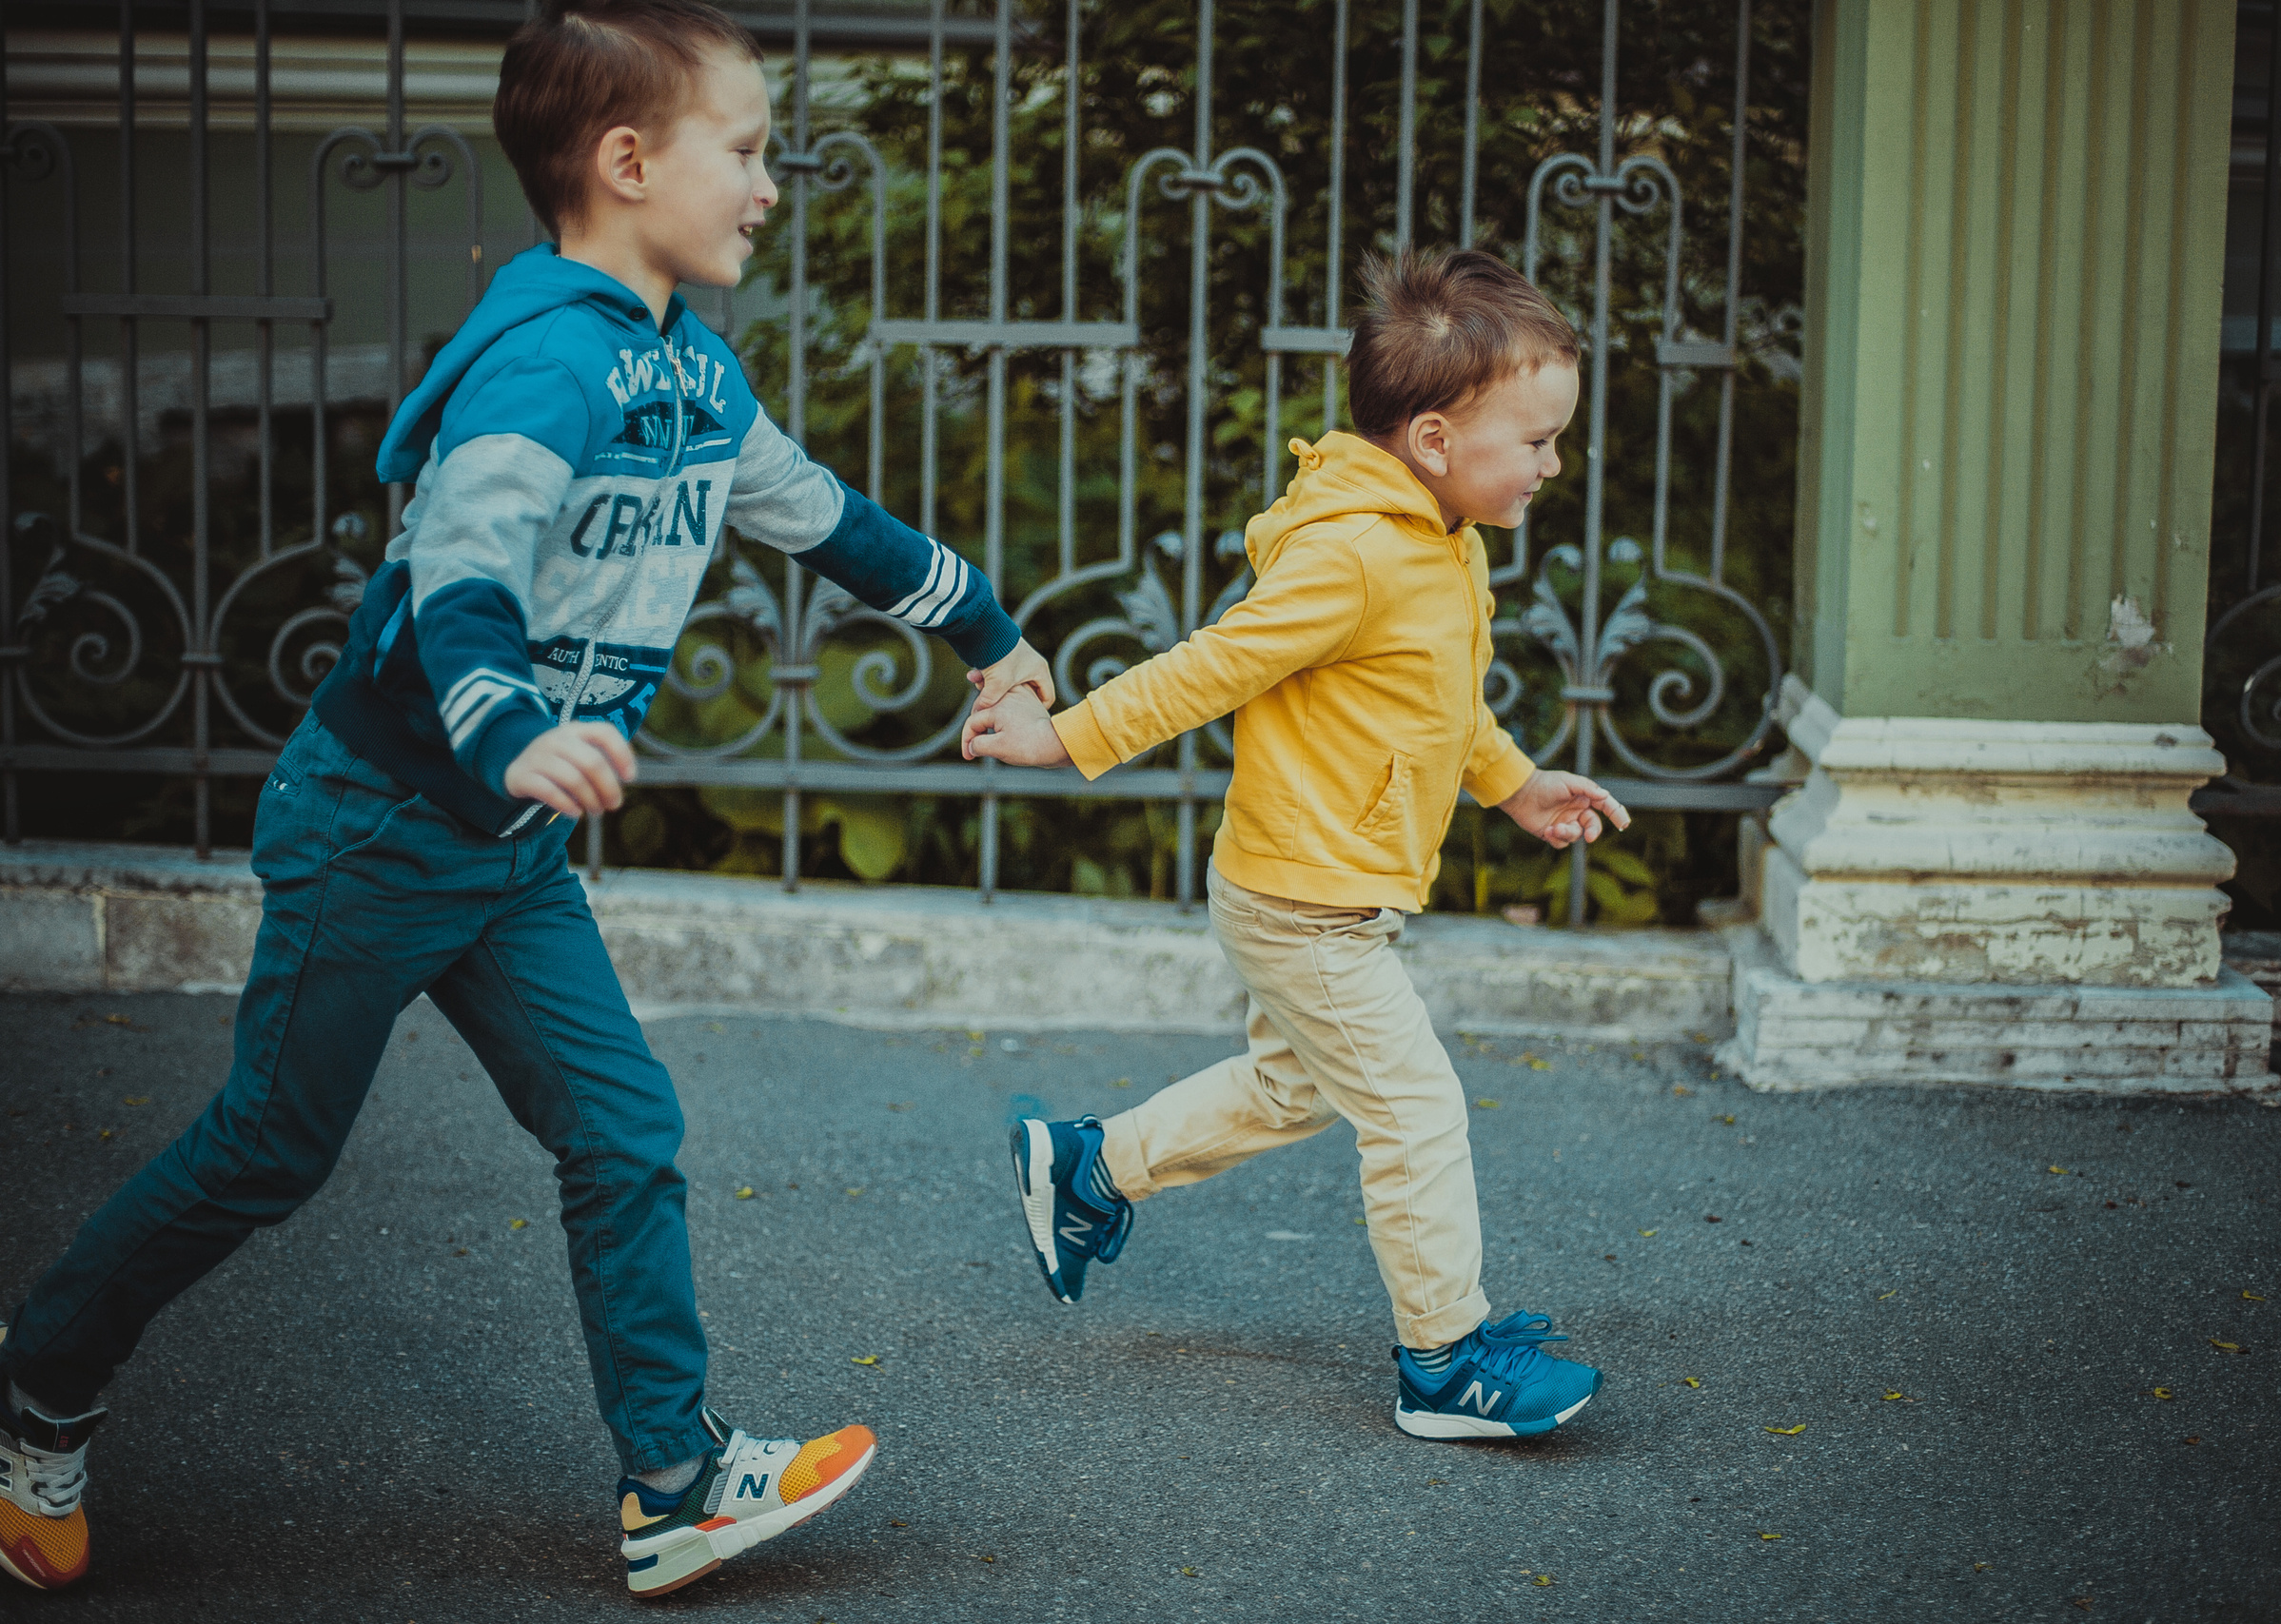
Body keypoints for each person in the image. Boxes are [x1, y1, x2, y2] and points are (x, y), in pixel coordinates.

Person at [0, 0, 1051, 1597]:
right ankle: (40, 1378)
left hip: (505, 851)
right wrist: (505, 730)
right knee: (270, 1149)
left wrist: (994, 632)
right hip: (383, 824)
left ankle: (677, 1483)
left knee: (622, 1125)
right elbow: (460, 573)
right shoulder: (545, 365)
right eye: (747, 151)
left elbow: (832, 520)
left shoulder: (689, 375)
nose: (771, 186)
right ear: (629, 163)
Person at [965, 247, 1629, 1443]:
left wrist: (1515, 784)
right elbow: (1214, 663)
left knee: (1295, 1087)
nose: (1551, 463)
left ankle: (1089, 1168)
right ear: (1433, 437)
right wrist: (1059, 740)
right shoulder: (1355, 553)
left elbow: (1440, 699)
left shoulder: (1438, 537)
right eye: (1533, 441)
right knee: (1415, 1108)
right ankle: (1443, 1361)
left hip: (1321, 882)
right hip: (1304, 900)